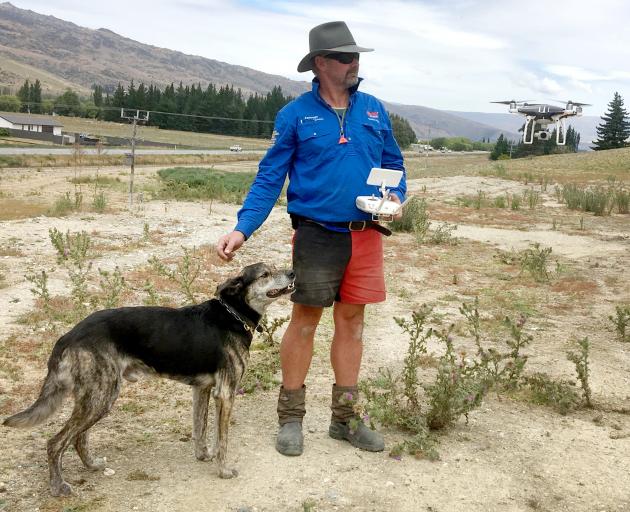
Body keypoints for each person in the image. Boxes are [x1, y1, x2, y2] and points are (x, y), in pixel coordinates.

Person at [216, 20, 406, 456]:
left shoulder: (375, 109)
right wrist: (243, 228)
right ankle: (291, 419)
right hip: (317, 235)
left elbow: (395, 165)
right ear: (320, 64)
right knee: (305, 322)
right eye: (344, 56)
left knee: (353, 323)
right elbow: (269, 177)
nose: (353, 62)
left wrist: (396, 196)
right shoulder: (295, 115)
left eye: (355, 56)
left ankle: (345, 420)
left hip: (366, 233)